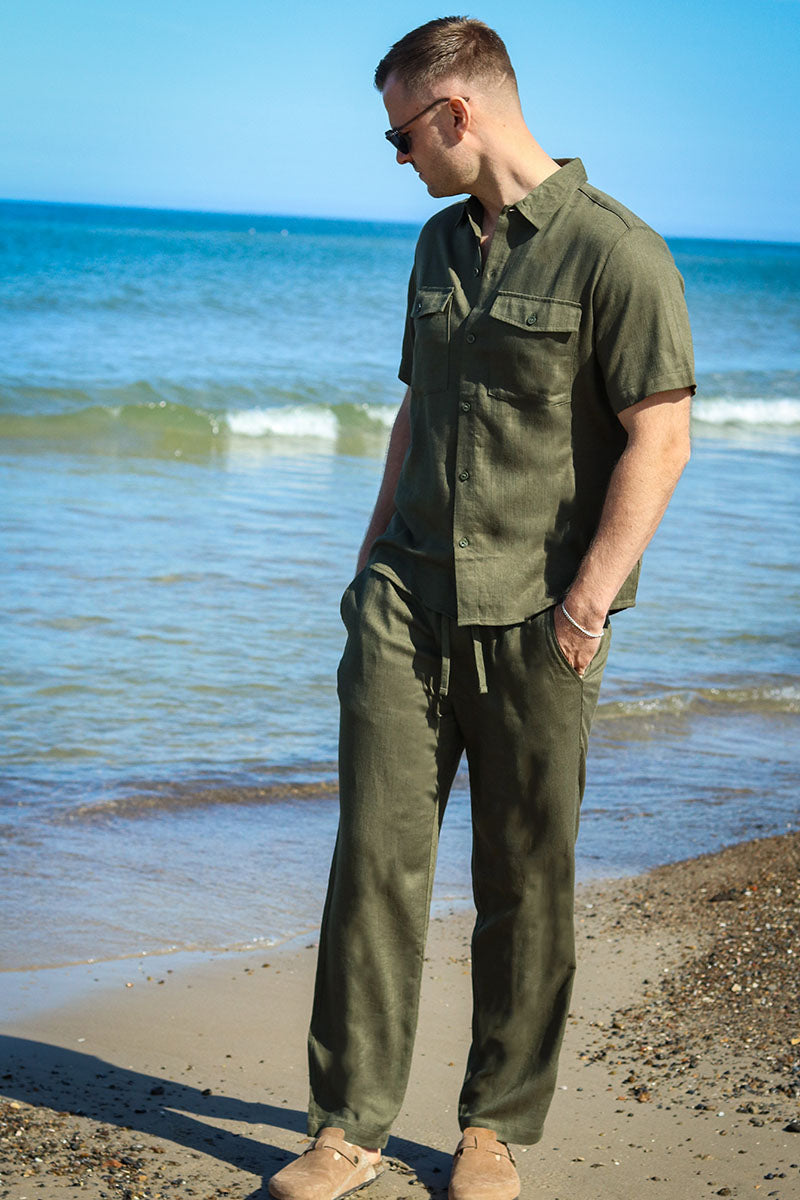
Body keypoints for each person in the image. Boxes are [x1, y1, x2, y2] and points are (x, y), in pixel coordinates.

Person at [270, 16, 695, 1200]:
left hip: (537, 619)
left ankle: (492, 1129)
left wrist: (583, 612)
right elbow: (417, 413)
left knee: (523, 880)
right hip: (405, 604)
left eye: (400, 135)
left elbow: (659, 440)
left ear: (455, 113)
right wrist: (368, 570)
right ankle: (346, 1129)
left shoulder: (618, 254)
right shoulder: (433, 246)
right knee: (372, 864)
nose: (398, 156)